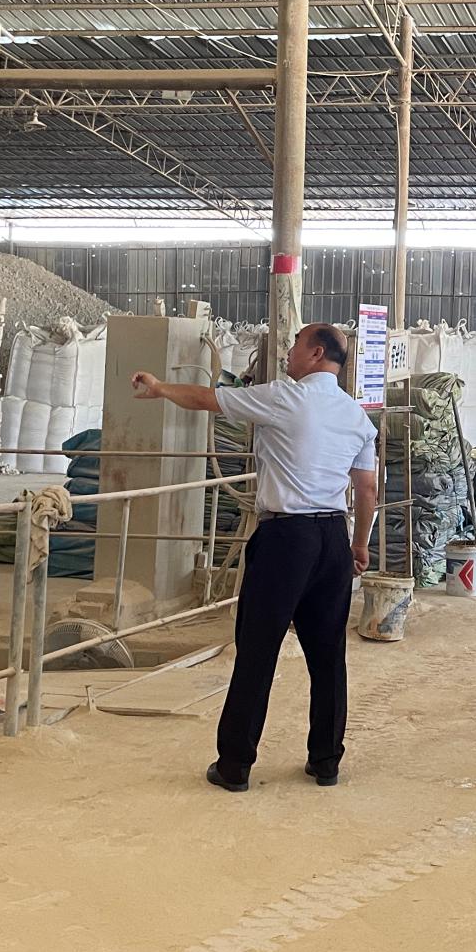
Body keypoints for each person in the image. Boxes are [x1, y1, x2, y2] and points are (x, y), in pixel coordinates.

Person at [130, 323, 378, 792]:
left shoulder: (285, 397)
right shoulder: (356, 416)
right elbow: (366, 488)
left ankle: (235, 765)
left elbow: (207, 399)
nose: (288, 352)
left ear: (316, 353)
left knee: (258, 651)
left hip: (286, 539)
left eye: (295, 345)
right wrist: (359, 545)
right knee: (329, 656)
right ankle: (326, 761)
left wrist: (160, 387)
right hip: (333, 538)